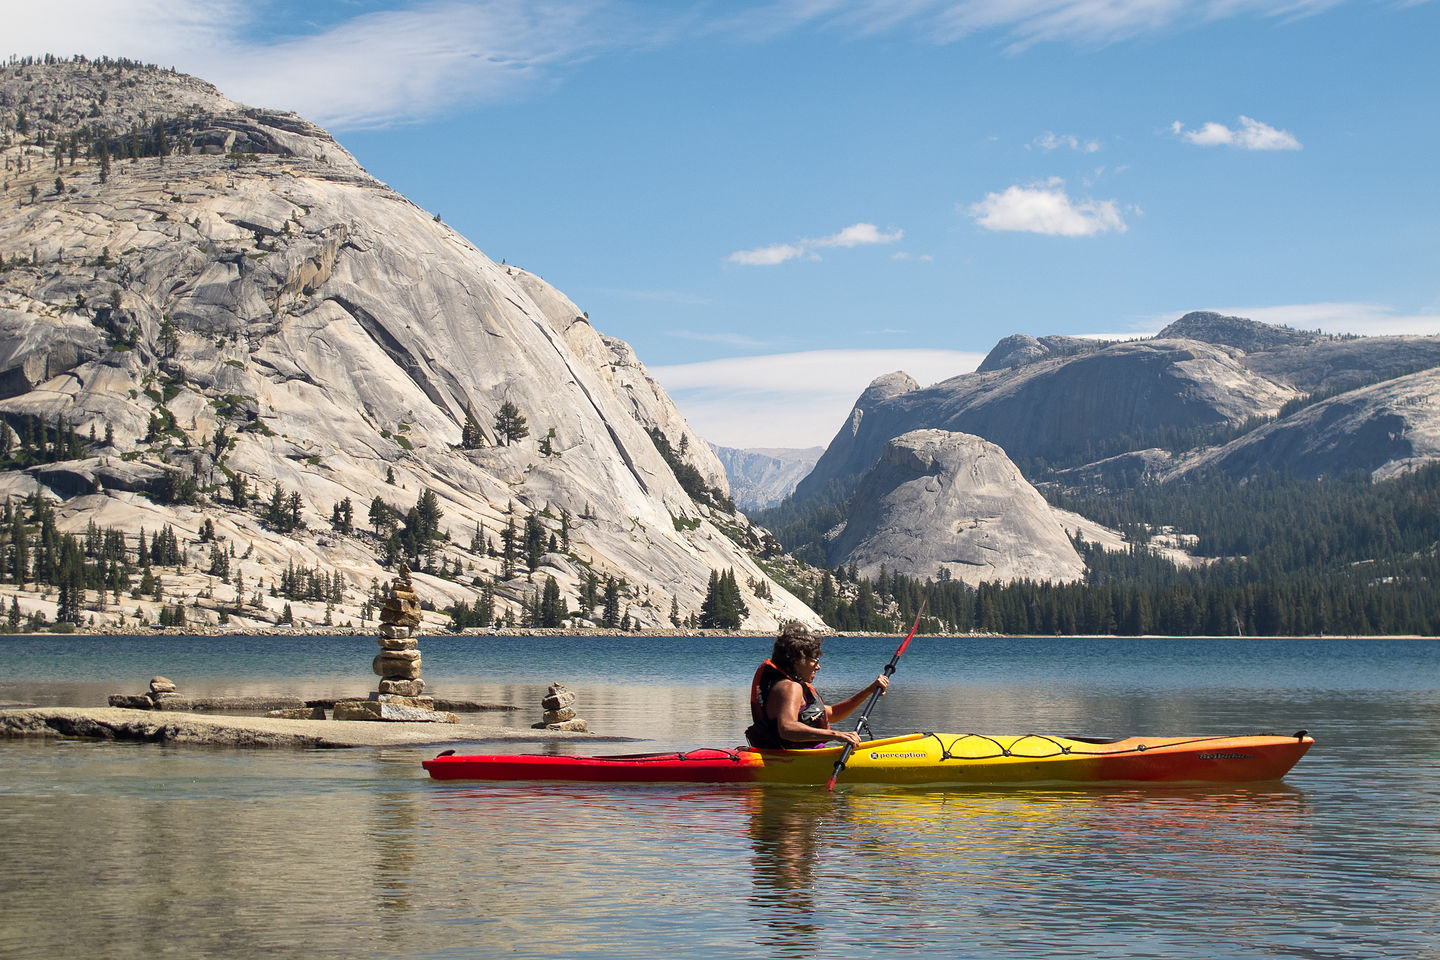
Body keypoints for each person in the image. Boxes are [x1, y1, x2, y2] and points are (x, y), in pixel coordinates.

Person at [745, 621, 888, 749]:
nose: (818, 667)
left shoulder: (791, 686)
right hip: (797, 760)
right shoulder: (790, 688)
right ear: (797, 660)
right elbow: (787, 728)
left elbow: (832, 713)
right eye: (815, 660)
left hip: (806, 756)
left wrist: (869, 691)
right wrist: (835, 735)